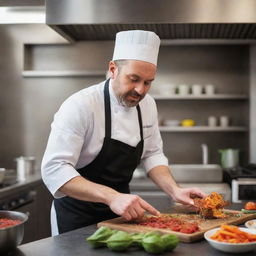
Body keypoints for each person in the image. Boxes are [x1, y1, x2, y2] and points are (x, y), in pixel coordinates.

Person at [41, 30, 206, 236]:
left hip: (122, 215)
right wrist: (111, 196)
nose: (140, 90)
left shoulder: (148, 105)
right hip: (76, 216)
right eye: (133, 79)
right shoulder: (81, 105)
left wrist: (175, 190)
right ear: (113, 69)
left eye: (148, 82)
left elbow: (152, 154)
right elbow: (54, 170)